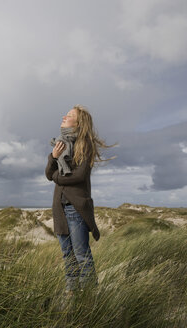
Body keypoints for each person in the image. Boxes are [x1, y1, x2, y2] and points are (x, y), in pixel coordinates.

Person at [45, 104, 115, 295]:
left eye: (69, 115)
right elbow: (48, 173)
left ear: (78, 122)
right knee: (68, 255)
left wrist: (57, 178)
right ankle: (72, 294)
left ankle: (89, 296)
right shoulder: (60, 144)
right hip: (59, 207)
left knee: (81, 255)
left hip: (75, 208)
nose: (64, 116)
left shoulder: (85, 145)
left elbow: (78, 176)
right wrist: (54, 156)